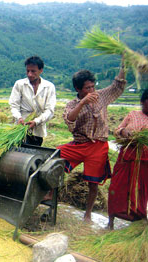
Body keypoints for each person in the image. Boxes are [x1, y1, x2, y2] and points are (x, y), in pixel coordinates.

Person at [57, 59, 126, 223]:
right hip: (79, 145)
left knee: (93, 183)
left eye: (93, 87)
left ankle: (87, 213)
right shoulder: (72, 103)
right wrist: (82, 103)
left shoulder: (101, 96)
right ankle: (50, 192)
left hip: (98, 146)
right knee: (54, 157)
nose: (92, 90)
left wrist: (124, 67)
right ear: (78, 89)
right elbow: (69, 120)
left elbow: (117, 87)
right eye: (87, 88)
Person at [108, 89, 148, 229]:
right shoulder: (133, 114)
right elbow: (117, 130)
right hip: (126, 157)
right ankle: (111, 220)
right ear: (142, 102)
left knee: (140, 190)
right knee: (117, 186)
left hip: (144, 161)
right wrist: (124, 132)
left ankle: (138, 221)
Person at [9, 56, 56, 146]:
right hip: (21, 128)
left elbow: (50, 110)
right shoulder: (20, 84)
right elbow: (14, 105)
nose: (30, 74)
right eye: (28, 71)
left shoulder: (49, 87)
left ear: (41, 70)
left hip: (38, 131)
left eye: (33, 71)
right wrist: (19, 118)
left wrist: (36, 121)